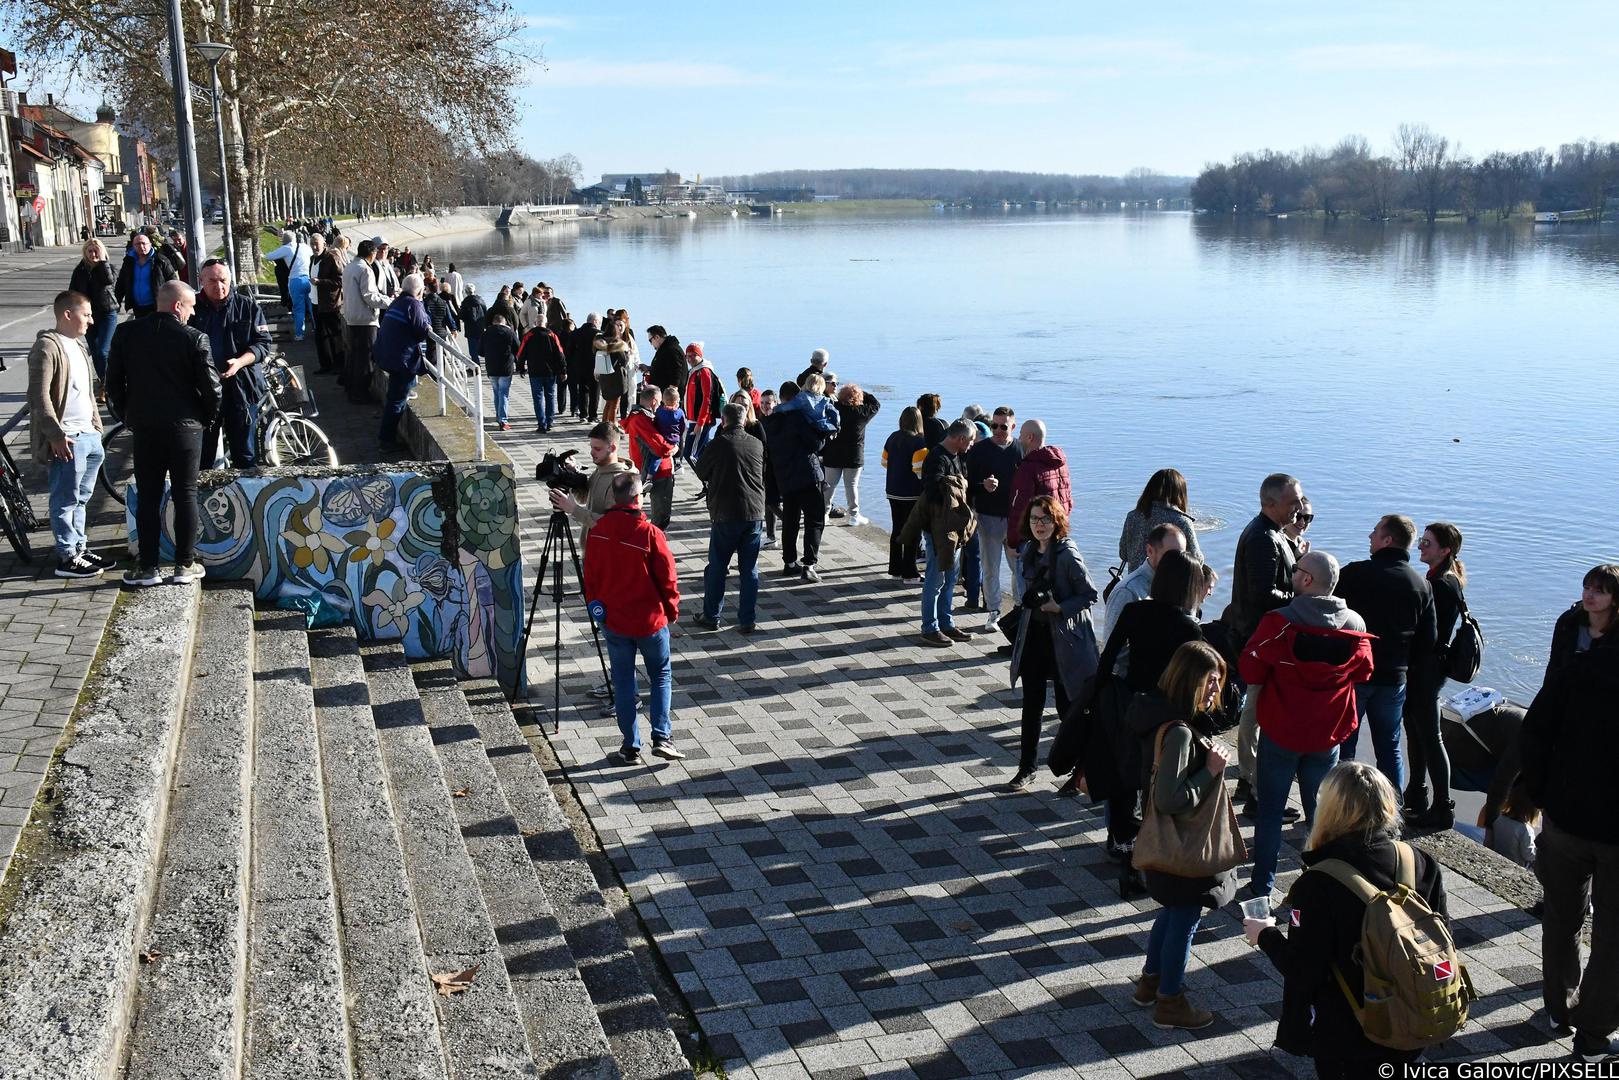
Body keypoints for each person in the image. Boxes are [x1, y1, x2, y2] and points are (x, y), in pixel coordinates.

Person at [1245, 762, 1454, 1077]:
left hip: (1350, 1031)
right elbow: (1444, 937)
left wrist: (1265, 935)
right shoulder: (1420, 863)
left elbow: (1304, 970)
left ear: (1329, 809)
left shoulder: (1320, 882)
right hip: (1413, 1015)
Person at [1239, 550, 1374, 901]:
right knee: (1321, 814)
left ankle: (1261, 885)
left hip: (1282, 729)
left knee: (1270, 811)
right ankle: (1316, 885)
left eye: (1296, 570)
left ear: (1307, 580)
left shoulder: (1279, 621)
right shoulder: (1355, 625)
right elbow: (1364, 672)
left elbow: (1250, 669)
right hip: (1326, 733)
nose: (1292, 574)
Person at [1518, 627, 1619, 1062]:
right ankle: (1593, 1035)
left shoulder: (1579, 668)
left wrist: (1544, 796)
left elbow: (1534, 733)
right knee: (1614, 937)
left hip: (1567, 819)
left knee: (1562, 917)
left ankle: (1558, 1009)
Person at [1131, 640, 1238, 1031]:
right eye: (1210, 681)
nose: (1216, 690)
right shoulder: (1178, 732)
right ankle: (1170, 1001)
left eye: (1218, 681)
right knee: (1185, 919)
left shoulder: (1161, 716)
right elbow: (1171, 798)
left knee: (1172, 912)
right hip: (1184, 845)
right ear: (1189, 679)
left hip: (1166, 845)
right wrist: (1210, 768)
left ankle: (1150, 984)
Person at [1090, 551, 1205, 880]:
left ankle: (1125, 855)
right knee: (1156, 786)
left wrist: (1099, 699)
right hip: (1167, 714)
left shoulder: (1134, 610)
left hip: (1131, 704)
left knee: (1127, 782)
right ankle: (1154, 855)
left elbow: (1108, 657)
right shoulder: (1189, 627)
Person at [106, 281, 221, 586]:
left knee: (148, 496)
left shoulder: (126, 333)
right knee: (185, 493)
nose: (193, 312)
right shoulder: (194, 338)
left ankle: (148, 568)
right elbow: (212, 388)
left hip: (145, 427)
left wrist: (128, 417)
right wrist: (204, 419)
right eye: (191, 306)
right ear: (177, 306)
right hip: (186, 427)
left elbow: (113, 384)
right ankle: (184, 565)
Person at [583, 472, 682, 766]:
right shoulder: (650, 534)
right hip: (650, 620)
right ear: (638, 498)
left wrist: (597, 610)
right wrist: (672, 610)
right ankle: (661, 737)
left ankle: (630, 747)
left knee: (624, 683)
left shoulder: (598, 531)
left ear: (614, 497)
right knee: (661, 675)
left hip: (615, 620)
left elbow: (591, 578)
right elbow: (668, 578)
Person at [1336, 514, 1437, 796]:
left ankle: (1339, 806)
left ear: (1387, 540)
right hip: (1394, 678)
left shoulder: (1355, 574)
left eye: (1375, 532)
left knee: (1343, 744)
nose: (1370, 536)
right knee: (1389, 747)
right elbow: (1428, 640)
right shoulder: (1421, 585)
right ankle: (1394, 810)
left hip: (1354, 674)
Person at [1226, 472, 1306, 814]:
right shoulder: (1263, 538)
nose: (1300, 508)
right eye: (1293, 503)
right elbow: (1261, 595)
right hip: (1261, 640)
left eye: (1300, 501)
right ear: (1270, 503)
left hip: (1259, 637)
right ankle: (1256, 789)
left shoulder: (1271, 533)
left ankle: (1251, 782)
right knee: (1259, 711)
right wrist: (1301, 596)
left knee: (1255, 710)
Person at [27, 291, 107, 578]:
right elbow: (38, 395)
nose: (91, 320)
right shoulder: (47, 347)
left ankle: (79, 547)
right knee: (65, 498)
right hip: (68, 437)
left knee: (82, 497)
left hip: (88, 433)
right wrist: (55, 434)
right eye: (86, 314)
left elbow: (85, 390)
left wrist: (97, 427)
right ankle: (66, 557)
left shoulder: (79, 345)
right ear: (67, 315)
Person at [1404, 522, 1467, 829]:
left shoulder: (1441, 583)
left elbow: (1430, 633)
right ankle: (1416, 794)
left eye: (1427, 543)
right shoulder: (1439, 577)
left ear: (1445, 550)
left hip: (1426, 671)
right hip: (1426, 668)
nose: (1420, 547)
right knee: (1416, 733)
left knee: (1429, 735)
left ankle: (1442, 805)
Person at [902, 419, 978, 646]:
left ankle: (946, 623)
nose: (972, 445)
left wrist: (980, 485)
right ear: (961, 438)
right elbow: (933, 491)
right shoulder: (936, 457)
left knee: (950, 579)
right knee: (935, 578)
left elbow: (962, 487)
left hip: (954, 530)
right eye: (971, 441)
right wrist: (955, 485)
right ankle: (929, 627)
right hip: (937, 530)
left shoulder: (958, 456)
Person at [190, 259, 273, 469]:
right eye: (212, 281)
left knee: (245, 455)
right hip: (203, 393)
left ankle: (245, 498)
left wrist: (240, 362)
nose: (219, 286)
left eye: (223, 280)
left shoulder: (248, 306)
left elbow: (263, 344)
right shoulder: (191, 309)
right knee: (202, 457)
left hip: (242, 389)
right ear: (201, 280)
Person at [693, 403, 767, 633]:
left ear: (723, 421)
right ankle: (747, 620)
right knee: (749, 569)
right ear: (744, 421)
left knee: (717, 567)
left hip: (725, 512)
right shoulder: (757, 444)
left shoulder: (717, 444)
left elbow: (701, 471)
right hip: (754, 512)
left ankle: (712, 615)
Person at [763, 381, 830, 583]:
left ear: (781, 398)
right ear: (797, 397)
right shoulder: (799, 417)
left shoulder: (768, 421)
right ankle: (809, 564)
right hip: (806, 476)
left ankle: (789, 562)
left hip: (784, 478)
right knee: (815, 519)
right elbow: (816, 444)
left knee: (791, 521)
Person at [963, 406, 1023, 630]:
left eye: (1003, 426)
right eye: (994, 426)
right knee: (990, 567)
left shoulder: (1020, 449)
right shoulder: (979, 451)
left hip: (1014, 518)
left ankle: (1019, 609)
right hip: (987, 516)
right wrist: (983, 486)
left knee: (1019, 567)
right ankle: (993, 611)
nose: (997, 430)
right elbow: (966, 485)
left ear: (1013, 427)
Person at [550, 423, 637, 547]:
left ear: (612, 448)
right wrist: (573, 474)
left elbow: (616, 526)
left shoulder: (624, 482)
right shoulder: (601, 468)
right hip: (592, 548)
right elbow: (586, 497)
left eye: (597, 449)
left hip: (608, 555)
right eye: (591, 447)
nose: (591, 452)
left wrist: (574, 509)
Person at [1103, 523, 1188, 644]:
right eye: (1170, 555)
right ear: (1150, 551)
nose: (1176, 562)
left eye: (1181, 555)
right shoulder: (1127, 591)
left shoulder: (1178, 586)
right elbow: (1112, 649)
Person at [374, 274, 431, 451]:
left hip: (387, 355)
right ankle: (386, 441)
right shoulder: (414, 304)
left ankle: (387, 436)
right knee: (396, 401)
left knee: (395, 395)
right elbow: (422, 329)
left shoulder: (397, 302)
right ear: (420, 290)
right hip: (401, 360)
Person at [1005, 420, 1074, 558]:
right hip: (1056, 533)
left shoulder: (1028, 468)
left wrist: (1012, 543)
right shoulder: (1060, 464)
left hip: (1032, 538)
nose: (1019, 439)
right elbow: (1068, 499)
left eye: (1021, 435)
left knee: (1028, 577)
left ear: (1030, 437)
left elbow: (1019, 508)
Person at [1118, 468, 1203, 571]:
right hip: (1167, 584)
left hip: (1135, 582)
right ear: (1181, 494)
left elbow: (1123, 554)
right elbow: (1197, 560)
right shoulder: (1182, 521)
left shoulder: (1132, 516)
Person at [820, 383, 880, 526]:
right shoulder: (862, 413)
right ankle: (854, 515)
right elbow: (876, 404)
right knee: (851, 485)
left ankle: (824, 513)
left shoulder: (834, 408)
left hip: (833, 454)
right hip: (854, 456)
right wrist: (862, 392)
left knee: (829, 485)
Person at [1545, 564, 1619, 680]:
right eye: (1586, 588)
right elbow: (1554, 664)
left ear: (1615, 599)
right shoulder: (1568, 621)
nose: (1589, 595)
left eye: (1598, 591)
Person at [622, 385, 679, 530]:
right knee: (661, 517)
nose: (660, 405)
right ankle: (651, 543)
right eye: (659, 402)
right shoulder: (642, 419)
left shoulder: (635, 416)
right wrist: (674, 448)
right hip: (659, 471)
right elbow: (660, 447)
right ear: (654, 401)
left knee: (639, 508)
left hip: (642, 467)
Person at [882, 406, 928, 582]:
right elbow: (918, 470)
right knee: (913, 532)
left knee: (897, 530)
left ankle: (895, 569)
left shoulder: (892, 437)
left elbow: (884, 462)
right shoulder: (919, 442)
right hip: (912, 493)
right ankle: (910, 573)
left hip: (892, 491)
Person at [341, 239, 390, 403]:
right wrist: (389, 301)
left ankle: (351, 388)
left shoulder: (349, 267)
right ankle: (360, 393)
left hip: (351, 316)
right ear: (372, 253)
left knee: (354, 356)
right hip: (365, 320)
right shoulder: (365, 270)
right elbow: (370, 297)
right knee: (366, 358)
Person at [69, 239, 118, 386]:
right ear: (85, 253)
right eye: (89, 251)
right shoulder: (80, 270)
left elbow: (109, 280)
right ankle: (104, 381)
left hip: (107, 313)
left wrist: (102, 261)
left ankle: (110, 383)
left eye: (96, 250)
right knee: (95, 351)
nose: (93, 254)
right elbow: (72, 291)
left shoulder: (109, 267)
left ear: (102, 251)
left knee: (103, 351)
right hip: (87, 315)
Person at [519, 314, 566, 434]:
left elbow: (521, 353)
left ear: (535, 323)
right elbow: (560, 354)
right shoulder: (552, 335)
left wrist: (521, 368)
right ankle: (549, 422)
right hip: (550, 371)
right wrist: (563, 370)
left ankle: (541, 423)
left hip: (535, 371)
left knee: (537, 398)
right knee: (550, 396)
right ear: (546, 323)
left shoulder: (529, 335)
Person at [265, 230, 314, 341]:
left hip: (295, 280)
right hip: (309, 279)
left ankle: (299, 334)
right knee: (312, 307)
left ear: (284, 241)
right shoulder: (305, 247)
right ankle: (316, 329)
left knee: (298, 308)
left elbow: (269, 256)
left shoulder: (286, 248)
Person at [114, 231, 176, 317]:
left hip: (156, 306)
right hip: (137, 307)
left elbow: (173, 282)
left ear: (150, 245)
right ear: (133, 246)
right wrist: (117, 302)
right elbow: (121, 283)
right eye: (137, 244)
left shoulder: (161, 260)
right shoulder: (129, 261)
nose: (141, 246)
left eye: (144, 243)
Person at [682, 342, 724, 467]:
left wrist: (700, 423)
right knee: (703, 453)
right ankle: (713, 480)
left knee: (690, 454)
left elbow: (707, 399)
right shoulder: (694, 371)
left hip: (701, 421)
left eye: (693, 356)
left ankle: (708, 481)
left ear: (700, 355)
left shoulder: (704, 372)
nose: (689, 359)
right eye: (687, 356)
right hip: (695, 420)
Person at [312, 233, 348, 375]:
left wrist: (320, 282)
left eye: (317, 244)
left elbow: (340, 281)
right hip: (316, 303)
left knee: (335, 336)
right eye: (312, 244)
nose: (314, 247)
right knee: (320, 336)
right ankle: (325, 365)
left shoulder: (331, 258)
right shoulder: (313, 259)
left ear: (324, 244)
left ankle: (339, 366)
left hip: (331, 304)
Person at [481, 312, 519, 431]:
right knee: (503, 393)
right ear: (504, 322)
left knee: (496, 392)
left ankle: (498, 416)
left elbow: (480, 351)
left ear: (493, 322)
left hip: (491, 367)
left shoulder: (486, 333)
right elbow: (518, 348)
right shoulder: (510, 332)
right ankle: (503, 420)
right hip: (506, 367)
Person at [594, 318, 634, 426]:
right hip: (617, 378)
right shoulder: (618, 345)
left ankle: (604, 424)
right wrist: (627, 354)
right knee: (615, 404)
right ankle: (611, 426)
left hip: (605, 377)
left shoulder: (601, 344)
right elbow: (623, 361)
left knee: (608, 402)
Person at [1488, 786, 1538, 869]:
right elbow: (1528, 855)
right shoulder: (1525, 830)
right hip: (1515, 865)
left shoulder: (1500, 819)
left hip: (1497, 857)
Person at [422, 278, 461, 375]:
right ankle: (441, 374)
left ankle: (434, 376)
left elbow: (425, 316)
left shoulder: (425, 302)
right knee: (441, 356)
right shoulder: (443, 302)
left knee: (431, 355)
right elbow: (448, 317)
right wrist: (453, 328)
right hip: (442, 332)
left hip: (431, 332)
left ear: (428, 289)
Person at [568, 314, 603, 421]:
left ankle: (583, 414)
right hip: (594, 366)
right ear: (595, 321)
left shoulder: (575, 333)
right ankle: (592, 416)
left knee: (582, 390)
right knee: (595, 391)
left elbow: (569, 350)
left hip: (579, 366)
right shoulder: (599, 334)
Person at [643, 325, 685, 395]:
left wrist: (671, 396)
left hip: (668, 397)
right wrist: (648, 368)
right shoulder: (664, 349)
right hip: (661, 394)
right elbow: (663, 368)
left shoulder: (672, 350)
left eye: (650, 340)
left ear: (657, 337)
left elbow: (676, 374)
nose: (651, 344)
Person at [459, 283, 488, 371]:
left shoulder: (465, 302)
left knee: (473, 350)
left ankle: (476, 367)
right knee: (484, 348)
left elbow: (461, 316)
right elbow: (486, 312)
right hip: (480, 327)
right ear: (474, 290)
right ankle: (488, 365)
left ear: (466, 292)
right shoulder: (481, 300)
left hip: (470, 328)